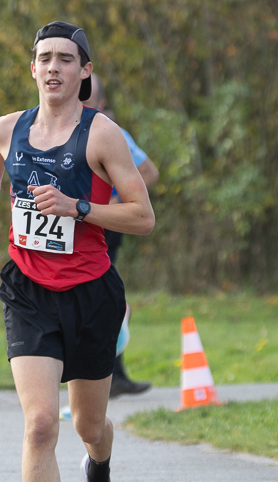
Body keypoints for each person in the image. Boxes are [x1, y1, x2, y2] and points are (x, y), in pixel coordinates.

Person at [0, 22, 154, 482]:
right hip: (28, 291)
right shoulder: (8, 128)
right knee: (40, 422)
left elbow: (142, 216)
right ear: (32, 69)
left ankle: (98, 475)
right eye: (44, 58)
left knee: (87, 425)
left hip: (91, 294)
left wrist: (79, 206)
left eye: (65, 60)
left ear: (84, 72)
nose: (53, 68)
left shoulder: (103, 136)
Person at [86, 74, 158, 397]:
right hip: (74, 226)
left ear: (101, 104)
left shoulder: (110, 134)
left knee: (103, 298)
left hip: (103, 227)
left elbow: (149, 171)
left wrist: (113, 202)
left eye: (86, 97)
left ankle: (112, 374)